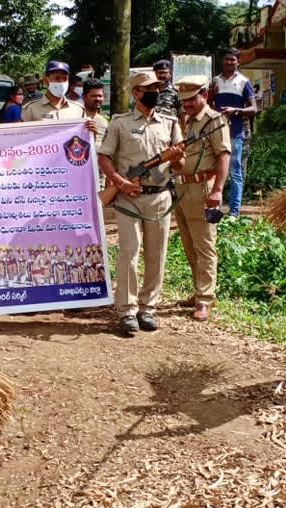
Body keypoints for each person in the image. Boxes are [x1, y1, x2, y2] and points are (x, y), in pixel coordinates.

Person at [97, 72, 185, 335]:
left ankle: (148, 307)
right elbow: (104, 157)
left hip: (159, 196)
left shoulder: (169, 123)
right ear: (136, 93)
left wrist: (176, 156)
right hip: (128, 197)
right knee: (129, 253)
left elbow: (180, 164)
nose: (154, 91)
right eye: (148, 88)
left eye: (157, 87)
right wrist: (120, 183)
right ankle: (127, 310)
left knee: (156, 254)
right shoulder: (119, 123)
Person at [173, 75, 231, 321]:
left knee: (205, 245)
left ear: (204, 95)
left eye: (191, 99)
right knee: (189, 244)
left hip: (202, 188)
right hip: (183, 189)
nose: (186, 104)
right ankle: (199, 291)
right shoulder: (187, 121)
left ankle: (205, 298)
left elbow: (224, 155)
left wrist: (217, 190)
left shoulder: (214, 121)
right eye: (183, 100)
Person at [211, 48, 256, 217]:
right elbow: (208, 104)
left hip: (235, 132)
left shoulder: (244, 82)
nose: (229, 62)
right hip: (216, 132)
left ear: (239, 62)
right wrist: (211, 96)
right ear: (222, 61)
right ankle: (216, 209)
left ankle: (234, 212)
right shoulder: (215, 81)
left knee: (235, 172)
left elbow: (254, 108)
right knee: (215, 171)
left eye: (232, 59)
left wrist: (236, 110)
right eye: (227, 59)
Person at [81, 78, 109, 151]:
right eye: (94, 96)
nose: (98, 99)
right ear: (84, 97)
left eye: (100, 96)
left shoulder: (104, 122)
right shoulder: (76, 119)